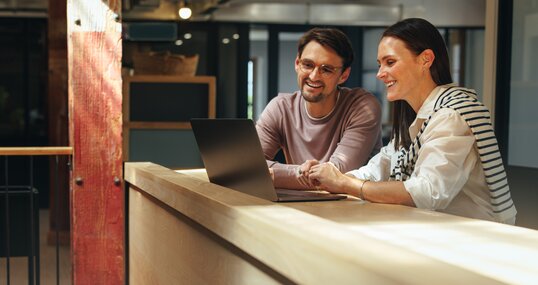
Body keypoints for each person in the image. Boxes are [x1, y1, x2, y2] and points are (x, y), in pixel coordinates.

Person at [307, 18, 517, 224]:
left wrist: (345, 184)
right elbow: (377, 169)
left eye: (390, 62)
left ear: (425, 59)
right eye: (380, 64)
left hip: (475, 239)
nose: (380, 73)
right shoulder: (415, 117)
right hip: (435, 230)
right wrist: (330, 177)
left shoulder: (452, 114)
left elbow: (428, 192)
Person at [255, 27, 383, 190]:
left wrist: (274, 174)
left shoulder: (363, 107)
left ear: (344, 75)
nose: (314, 76)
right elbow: (250, 166)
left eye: (326, 69)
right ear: (297, 64)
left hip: (355, 209)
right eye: (308, 65)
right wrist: (297, 172)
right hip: (304, 206)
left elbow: (335, 176)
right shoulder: (281, 108)